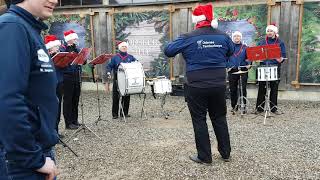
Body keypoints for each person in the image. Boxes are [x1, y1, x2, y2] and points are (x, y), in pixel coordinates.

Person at [164, 3, 234, 164]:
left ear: (196, 19)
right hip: (218, 83)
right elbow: (230, 51)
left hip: (196, 85)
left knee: (199, 119)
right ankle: (225, 153)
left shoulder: (188, 37)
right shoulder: (223, 36)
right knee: (219, 117)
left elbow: (168, 51)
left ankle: (205, 156)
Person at [0, 0, 59, 179]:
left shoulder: (28, 28)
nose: (55, 0)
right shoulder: (12, 27)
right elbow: (7, 99)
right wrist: (33, 158)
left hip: (36, 151)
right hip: (21, 163)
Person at [255, 24, 286, 115]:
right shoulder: (261, 42)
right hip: (263, 67)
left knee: (274, 88)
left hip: (275, 68)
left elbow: (283, 55)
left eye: (271, 31)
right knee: (262, 88)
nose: (269, 33)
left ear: (275, 32)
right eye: (268, 31)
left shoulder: (280, 42)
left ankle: (273, 108)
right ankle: (259, 108)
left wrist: (281, 59)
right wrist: (257, 58)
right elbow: (257, 53)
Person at [105, 41, 137, 119]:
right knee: (116, 96)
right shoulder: (115, 57)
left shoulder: (131, 57)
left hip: (127, 78)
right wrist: (108, 72)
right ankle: (115, 114)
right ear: (119, 48)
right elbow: (109, 66)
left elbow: (136, 64)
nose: (124, 48)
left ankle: (124, 113)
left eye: (125, 47)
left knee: (126, 95)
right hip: (117, 78)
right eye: (122, 47)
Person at [61, 29, 81, 129]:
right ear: (69, 39)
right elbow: (61, 61)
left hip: (76, 75)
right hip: (67, 76)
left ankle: (75, 120)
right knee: (68, 99)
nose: (76, 40)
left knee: (75, 98)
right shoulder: (63, 48)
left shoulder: (75, 48)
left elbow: (80, 61)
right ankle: (68, 123)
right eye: (74, 39)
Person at [45, 34, 64, 138]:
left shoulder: (59, 55)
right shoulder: (45, 56)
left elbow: (63, 68)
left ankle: (56, 130)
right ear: (50, 47)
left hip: (59, 82)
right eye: (56, 46)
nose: (58, 48)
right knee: (51, 107)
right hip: (50, 84)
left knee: (58, 105)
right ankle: (50, 131)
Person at [227, 31, 250, 113]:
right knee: (233, 89)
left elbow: (249, 58)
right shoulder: (229, 47)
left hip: (243, 70)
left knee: (243, 88)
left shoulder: (245, 47)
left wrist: (249, 64)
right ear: (232, 38)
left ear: (241, 38)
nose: (237, 38)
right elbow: (225, 58)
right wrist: (227, 66)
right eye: (235, 36)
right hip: (232, 70)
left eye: (238, 36)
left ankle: (243, 106)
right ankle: (234, 106)